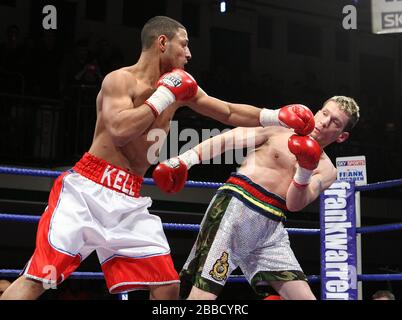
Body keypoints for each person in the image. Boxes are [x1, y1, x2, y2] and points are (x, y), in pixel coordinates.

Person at [0, 16, 312, 300]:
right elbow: (120, 129)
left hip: (128, 197)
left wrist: (276, 116)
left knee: (167, 285)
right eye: (184, 44)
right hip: (86, 190)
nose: (189, 55)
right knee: (40, 277)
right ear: (162, 42)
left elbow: (227, 111)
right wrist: (164, 96)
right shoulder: (119, 81)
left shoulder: (182, 90)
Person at [153, 96, 360, 300]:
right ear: (318, 111)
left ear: (341, 136)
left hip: (271, 228)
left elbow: (294, 204)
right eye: (325, 113)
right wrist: (185, 160)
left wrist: (304, 171)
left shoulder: (328, 170)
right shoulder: (281, 127)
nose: (324, 122)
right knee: (204, 292)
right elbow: (229, 139)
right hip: (237, 208)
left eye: (335, 122)